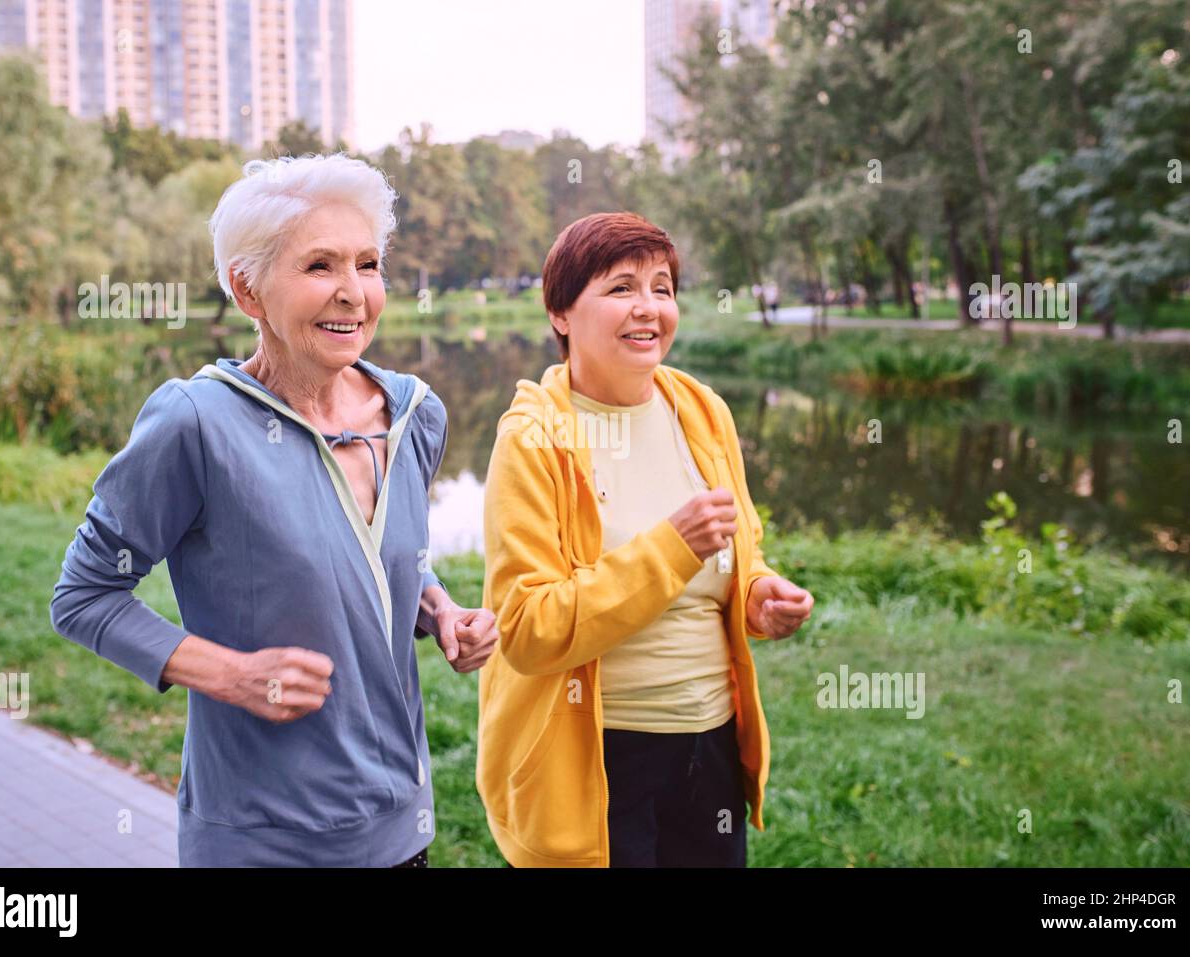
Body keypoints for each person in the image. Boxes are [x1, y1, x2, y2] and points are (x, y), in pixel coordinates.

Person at [50, 153, 498, 867]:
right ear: (247, 289)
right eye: (320, 266)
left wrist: (438, 609)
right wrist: (231, 674)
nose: (353, 292)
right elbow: (82, 596)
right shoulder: (194, 423)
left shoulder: (416, 412)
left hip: (403, 833)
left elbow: (372, 559)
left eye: (368, 264)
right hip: (261, 844)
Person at [476, 212, 814, 867]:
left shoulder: (701, 408)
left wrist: (757, 591)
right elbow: (524, 627)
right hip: (599, 755)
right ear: (561, 313)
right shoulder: (533, 438)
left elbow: (739, 549)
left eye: (662, 287)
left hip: (709, 746)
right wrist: (670, 547)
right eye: (622, 287)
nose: (649, 307)